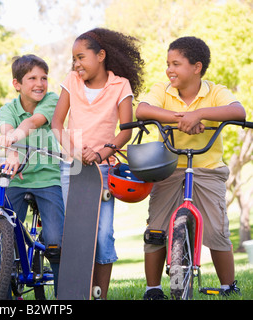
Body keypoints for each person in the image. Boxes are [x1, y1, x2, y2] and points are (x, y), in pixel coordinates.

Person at [136, 36, 246, 300]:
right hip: (169, 168)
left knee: (218, 230)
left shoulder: (215, 91)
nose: (169, 70)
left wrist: (200, 114)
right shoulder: (163, 90)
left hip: (208, 169)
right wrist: (182, 118)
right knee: (156, 229)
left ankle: (228, 286)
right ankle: (153, 289)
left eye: (176, 64)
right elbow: (142, 110)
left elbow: (238, 112)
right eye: (168, 64)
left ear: (196, 67)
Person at [51, 28, 144, 299]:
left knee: (102, 236)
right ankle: (75, 294)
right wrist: (74, 150)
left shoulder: (120, 85)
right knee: (77, 236)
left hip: (103, 170)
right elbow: (57, 124)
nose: (76, 64)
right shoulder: (71, 80)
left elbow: (125, 129)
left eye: (81, 57)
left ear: (100, 55)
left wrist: (102, 154)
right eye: (74, 59)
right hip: (74, 168)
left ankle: (98, 295)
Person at [0, 54, 64, 296]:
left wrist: (16, 135)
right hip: (18, 180)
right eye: (32, 78)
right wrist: (10, 150)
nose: (40, 83)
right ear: (17, 84)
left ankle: (63, 295)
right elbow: (5, 128)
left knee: (56, 240)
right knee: (2, 236)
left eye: (44, 78)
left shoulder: (52, 100)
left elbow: (34, 121)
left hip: (48, 179)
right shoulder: (8, 109)